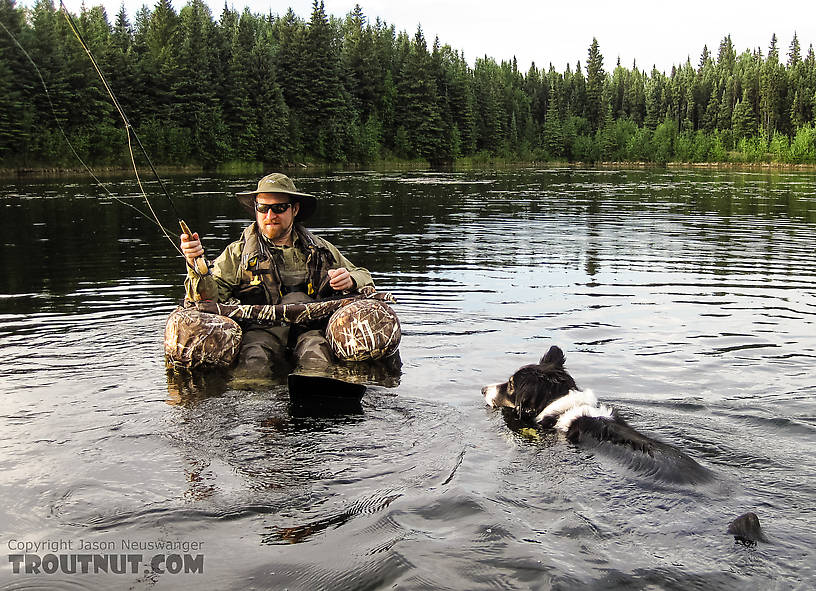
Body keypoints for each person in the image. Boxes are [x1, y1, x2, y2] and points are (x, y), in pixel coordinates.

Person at [180, 173, 374, 376]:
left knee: (318, 356)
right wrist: (196, 266)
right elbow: (208, 296)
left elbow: (364, 275)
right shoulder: (237, 253)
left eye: (279, 208)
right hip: (260, 332)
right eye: (263, 208)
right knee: (254, 361)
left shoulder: (321, 248)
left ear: (295, 209)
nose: (270, 216)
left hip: (309, 330)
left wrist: (350, 279)